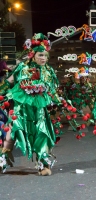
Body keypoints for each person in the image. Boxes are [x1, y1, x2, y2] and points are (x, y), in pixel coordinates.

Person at [0, 33, 61, 175]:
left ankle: (43, 165)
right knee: (13, 132)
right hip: (21, 107)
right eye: (40, 55)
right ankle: (2, 159)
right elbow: (9, 82)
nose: (43, 58)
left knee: (42, 132)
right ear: (33, 55)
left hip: (39, 108)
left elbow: (53, 90)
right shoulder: (22, 68)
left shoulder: (48, 71)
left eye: (45, 56)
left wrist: (60, 101)